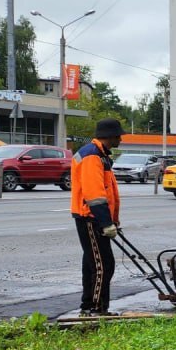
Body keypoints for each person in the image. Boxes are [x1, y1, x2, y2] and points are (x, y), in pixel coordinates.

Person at [71, 117, 124, 316]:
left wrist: (112, 221)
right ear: (109, 136)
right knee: (103, 264)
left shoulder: (100, 155)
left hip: (94, 217)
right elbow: (94, 194)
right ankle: (96, 308)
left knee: (93, 263)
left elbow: (107, 191)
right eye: (119, 135)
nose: (121, 139)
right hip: (90, 217)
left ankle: (89, 306)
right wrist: (105, 222)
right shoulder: (92, 156)